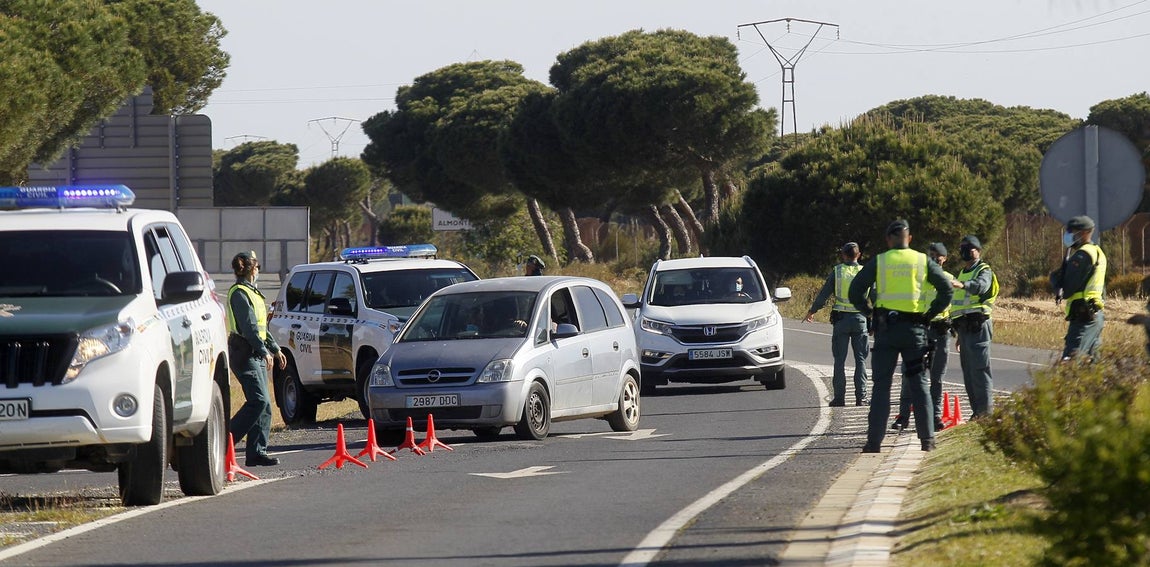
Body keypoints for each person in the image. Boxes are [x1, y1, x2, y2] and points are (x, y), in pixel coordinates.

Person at [848, 220, 952, 453]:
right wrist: (930, 314)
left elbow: (855, 290)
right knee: (920, 385)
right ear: (910, 239)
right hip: (915, 331)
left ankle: (874, 443)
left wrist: (869, 314)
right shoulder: (921, 260)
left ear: (888, 240)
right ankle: (928, 441)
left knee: (881, 387)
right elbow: (947, 289)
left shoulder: (880, 261)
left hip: (886, 331)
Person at [226, 251, 287, 467]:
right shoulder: (240, 293)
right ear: (253, 269)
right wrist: (263, 351)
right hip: (245, 353)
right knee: (258, 400)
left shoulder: (252, 292)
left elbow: (261, 327)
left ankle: (256, 453)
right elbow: (249, 329)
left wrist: (275, 348)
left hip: (255, 351)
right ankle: (225, 442)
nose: (259, 270)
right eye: (258, 266)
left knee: (265, 405)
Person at [892, 242, 953, 431]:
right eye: (931, 255)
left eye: (938, 256)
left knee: (937, 376)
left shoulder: (950, 279)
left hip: (941, 331)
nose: (935, 259)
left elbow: (957, 307)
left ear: (945, 258)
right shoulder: (917, 278)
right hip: (918, 330)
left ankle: (935, 416)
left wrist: (958, 330)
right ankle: (903, 416)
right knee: (910, 373)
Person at [805, 242, 870, 407]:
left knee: (839, 360)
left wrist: (812, 311)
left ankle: (839, 398)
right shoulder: (865, 272)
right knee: (860, 360)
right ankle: (861, 398)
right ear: (859, 255)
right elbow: (875, 296)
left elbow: (824, 294)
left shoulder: (838, 271)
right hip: (860, 320)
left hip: (841, 320)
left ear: (843, 255)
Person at [949, 235, 996, 418]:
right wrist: (959, 335)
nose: (964, 252)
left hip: (978, 326)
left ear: (978, 251)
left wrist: (962, 285)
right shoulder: (962, 272)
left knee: (980, 370)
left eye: (968, 248)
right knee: (968, 372)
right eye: (962, 248)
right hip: (964, 328)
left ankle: (985, 413)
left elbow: (981, 287)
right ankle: (976, 412)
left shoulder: (984, 270)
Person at [1051, 215, 1107, 361]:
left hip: (1083, 315)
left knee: (1071, 362)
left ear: (1083, 233)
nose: (1068, 235)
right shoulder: (1096, 251)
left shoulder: (1082, 255)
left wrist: (1055, 280)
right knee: (1093, 366)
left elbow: (1068, 288)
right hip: (1095, 313)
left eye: (1071, 231)